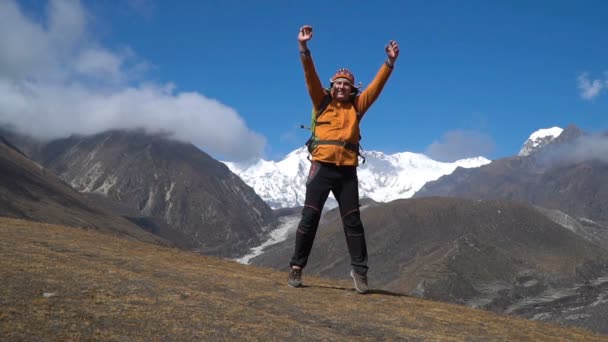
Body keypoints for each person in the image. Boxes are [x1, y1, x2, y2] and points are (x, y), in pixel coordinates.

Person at [288, 25, 399, 294]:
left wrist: (389, 63)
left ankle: (360, 273)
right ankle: (296, 268)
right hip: (321, 167)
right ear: (331, 86)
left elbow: (376, 88)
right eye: (338, 83)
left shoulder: (357, 107)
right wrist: (303, 48)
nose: (341, 87)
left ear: (351, 89)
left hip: (347, 172)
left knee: (353, 222)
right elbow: (309, 76)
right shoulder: (321, 101)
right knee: (309, 219)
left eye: (346, 84)